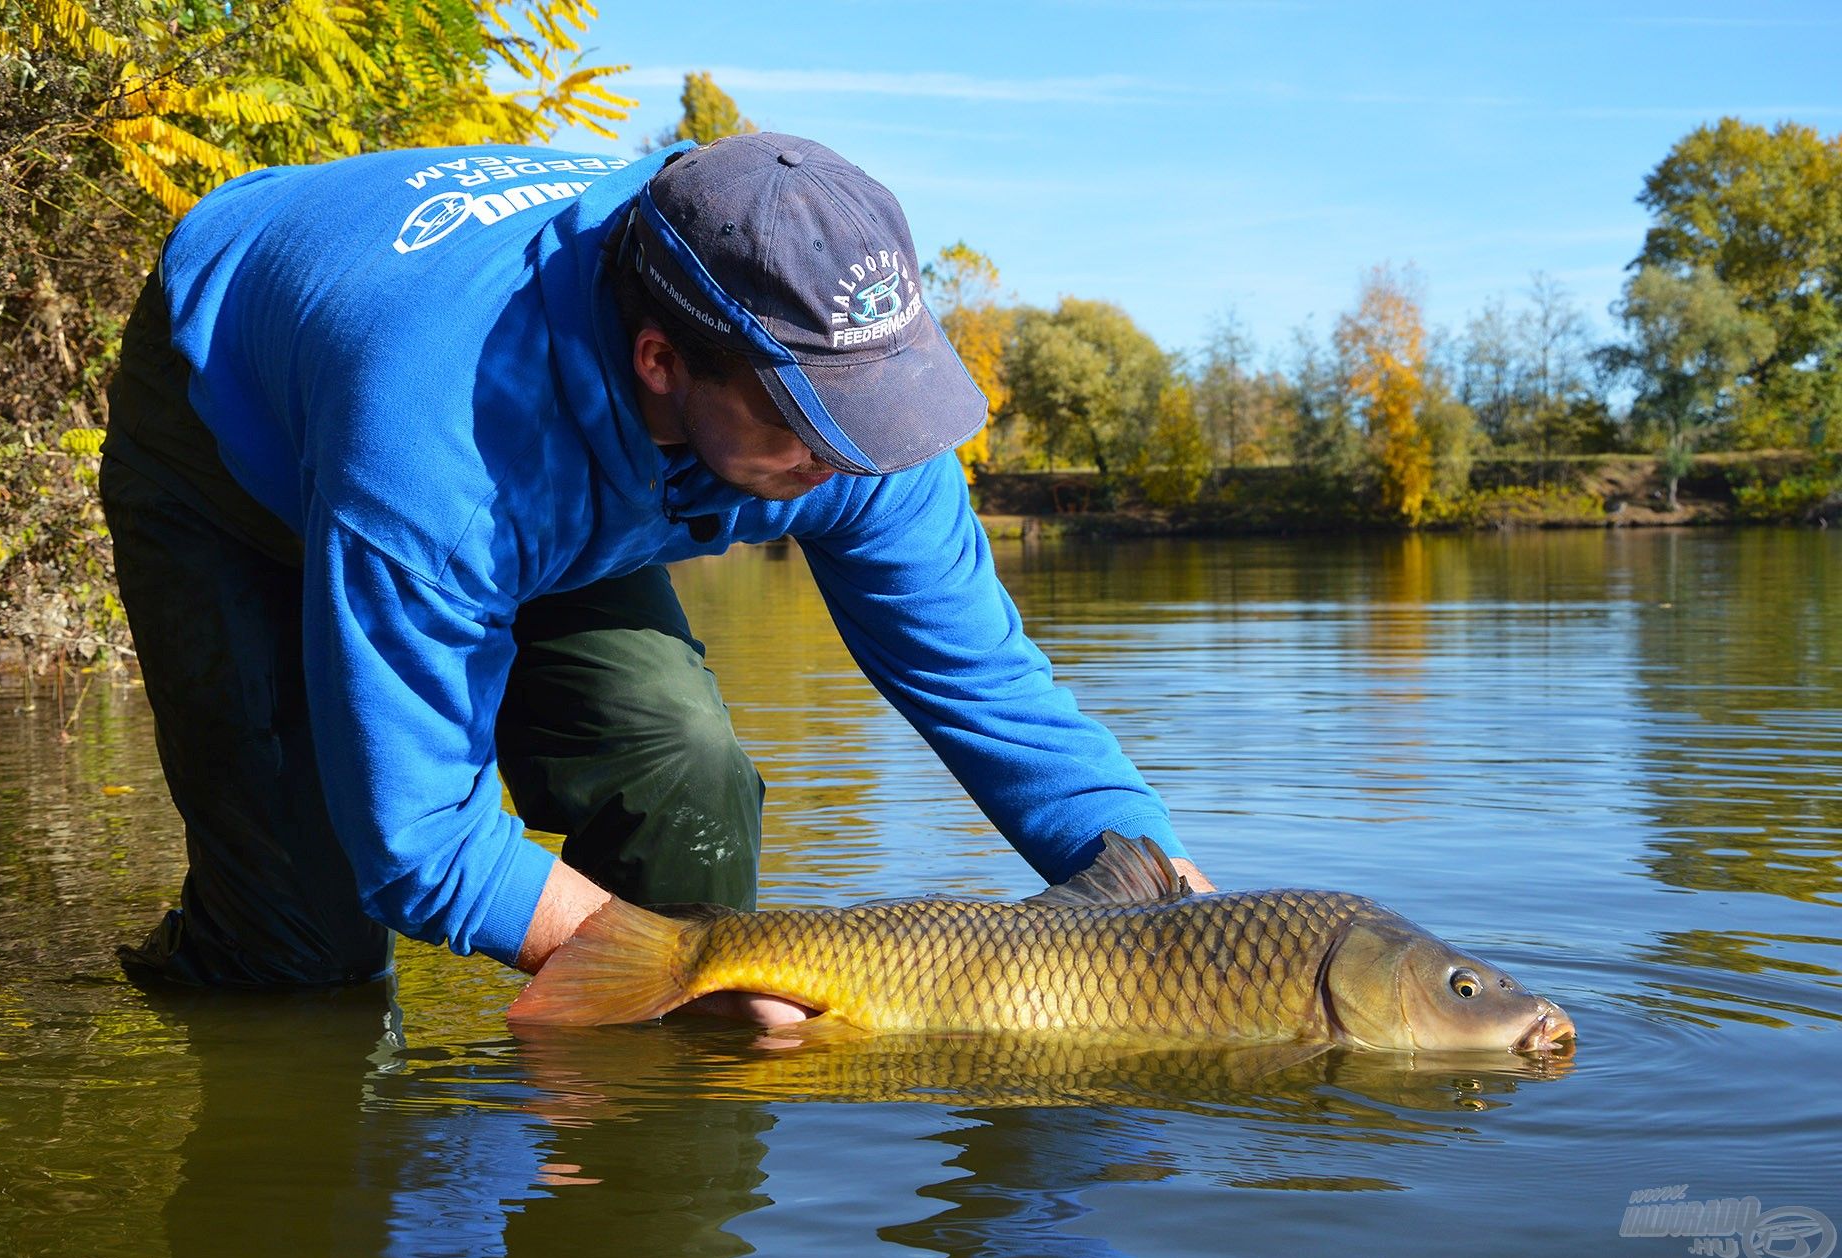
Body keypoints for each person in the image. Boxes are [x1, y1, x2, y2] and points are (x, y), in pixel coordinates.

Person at [102, 131, 1209, 1016]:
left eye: (874, 413)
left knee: (684, 768)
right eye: (814, 428)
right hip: (226, 431)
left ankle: (644, 1152)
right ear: (663, 362)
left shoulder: (838, 381)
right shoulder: (443, 450)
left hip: (555, 463)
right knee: (310, 954)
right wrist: (695, 965)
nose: (850, 458)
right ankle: (226, 946)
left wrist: (1180, 914)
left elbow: (989, 685)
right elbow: (418, 841)